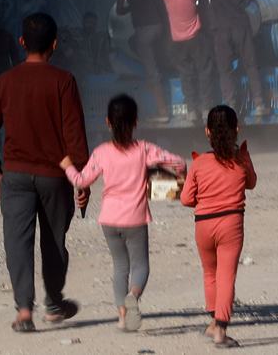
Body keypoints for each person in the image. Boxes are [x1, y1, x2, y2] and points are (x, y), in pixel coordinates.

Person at [0, 13, 90, 332]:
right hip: (55, 177)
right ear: (55, 44)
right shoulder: (63, 81)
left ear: (22, 43)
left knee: (17, 242)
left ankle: (24, 310)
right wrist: (80, 175)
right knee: (54, 241)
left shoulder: (5, 82)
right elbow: (74, 135)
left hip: (15, 174)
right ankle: (54, 303)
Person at [59, 94, 185, 331]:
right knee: (140, 266)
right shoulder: (144, 149)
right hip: (135, 219)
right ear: (136, 121)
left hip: (109, 219)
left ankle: (121, 317)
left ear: (107, 122)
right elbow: (179, 164)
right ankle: (134, 296)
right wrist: (156, 177)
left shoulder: (101, 153)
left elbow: (81, 180)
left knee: (120, 267)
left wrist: (67, 167)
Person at [180, 105, 257, 348]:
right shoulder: (241, 159)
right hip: (231, 224)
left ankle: (213, 322)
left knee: (210, 273)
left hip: (203, 225)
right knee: (226, 276)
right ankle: (221, 331)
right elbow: (251, 183)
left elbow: (186, 199)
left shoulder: (199, 162)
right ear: (237, 130)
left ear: (207, 132)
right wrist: (243, 156)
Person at [202, 0, 267, 116]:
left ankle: (230, 105)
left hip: (221, 30)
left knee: (225, 69)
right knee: (251, 65)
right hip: (241, 26)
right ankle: (260, 103)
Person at [117, 0, 170, 122]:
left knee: (151, 71)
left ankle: (162, 112)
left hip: (144, 29)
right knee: (150, 52)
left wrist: (131, 6)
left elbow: (119, 10)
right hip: (159, 26)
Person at [161, 0, 217, 123]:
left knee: (186, 74)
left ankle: (192, 110)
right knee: (204, 71)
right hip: (195, 38)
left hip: (177, 41)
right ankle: (207, 108)